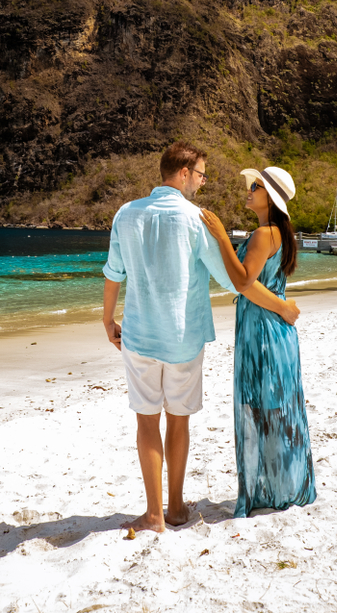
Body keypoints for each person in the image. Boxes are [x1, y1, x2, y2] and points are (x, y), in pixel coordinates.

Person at [102, 142, 300, 533]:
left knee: (146, 424)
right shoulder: (196, 219)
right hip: (184, 339)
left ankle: (154, 515)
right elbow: (235, 280)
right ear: (183, 174)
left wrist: (107, 320)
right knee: (178, 422)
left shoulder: (126, 214)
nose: (203, 182)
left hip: (139, 336)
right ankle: (175, 508)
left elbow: (113, 272)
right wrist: (277, 300)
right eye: (201, 174)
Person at [200, 166, 316, 518]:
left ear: (272, 197)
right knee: (278, 409)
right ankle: (283, 486)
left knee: (261, 408)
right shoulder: (279, 232)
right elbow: (251, 283)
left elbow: (242, 281)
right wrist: (282, 306)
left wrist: (221, 237)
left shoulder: (264, 233)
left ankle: (268, 490)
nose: (248, 189)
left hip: (263, 330)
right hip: (276, 329)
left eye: (256, 186)